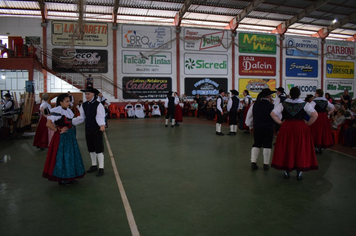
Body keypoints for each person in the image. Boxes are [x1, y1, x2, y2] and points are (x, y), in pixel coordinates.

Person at [270, 87, 318, 180]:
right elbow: (315, 115)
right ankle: (299, 172)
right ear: (299, 95)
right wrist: (308, 123)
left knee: (287, 148)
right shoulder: (305, 104)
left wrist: (280, 122)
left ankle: (286, 171)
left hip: (286, 127)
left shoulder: (283, 104)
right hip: (300, 128)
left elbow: (272, 113)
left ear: (290, 94)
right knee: (300, 148)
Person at [42, 93, 85, 185]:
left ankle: (70, 176)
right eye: (67, 101)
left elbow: (72, 121)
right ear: (61, 102)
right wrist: (58, 130)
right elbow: (48, 124)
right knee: (63, 157)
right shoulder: (57, 111)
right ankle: (62, 178)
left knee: (70, 156)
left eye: (69, 101)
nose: (69, 103)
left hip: (70, 137)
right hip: (62, 138)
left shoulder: (68, 110)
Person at [72, 87, 106, 177]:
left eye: (88, 94)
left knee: (98, 149)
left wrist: (102, 125)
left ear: (93, 94)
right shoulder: (84, 105)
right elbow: (82, 117)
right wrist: (71, 121)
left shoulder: (98, 105)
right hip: (88, 129)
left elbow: (100, 117)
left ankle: (101, 168)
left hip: (96, 129)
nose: (86, 96)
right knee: (91, 148)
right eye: (86, 94)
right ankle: (94, 165)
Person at [245, 88, 276, 170]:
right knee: (267, 145)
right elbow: (277, 117)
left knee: (257, 144)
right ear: (268, 96)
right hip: (269, 127)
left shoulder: (254, 105)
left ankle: (253, 162)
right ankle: (266, 164)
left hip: (258, 127)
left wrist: (250, 126)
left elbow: (249, 117)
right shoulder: (272, 106)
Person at [309, 89, 335, 154]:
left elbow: (310, 108)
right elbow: (333, 107)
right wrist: (329, 113)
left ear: (317, 94)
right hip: (324, 117)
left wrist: (311, 114)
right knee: (323, 131)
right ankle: (321, 147)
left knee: (316, 131)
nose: (314, 94)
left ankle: (317, 146)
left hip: (317, 116)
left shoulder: (315, 101)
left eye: (315, 93)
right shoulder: (325, 100)